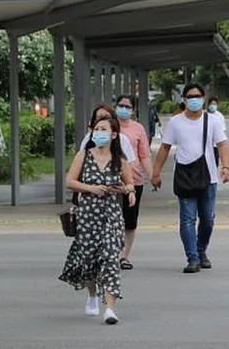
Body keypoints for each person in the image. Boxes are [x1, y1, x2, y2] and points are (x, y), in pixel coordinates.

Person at [60, 116, 136, 324]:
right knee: (89, 259)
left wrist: (127, 190)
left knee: (110, 258)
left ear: (113, 135)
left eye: (104, 129)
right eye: (96, 129)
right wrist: (90, 188)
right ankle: (92, 294)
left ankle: (110, 309)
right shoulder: (83, 155)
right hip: (88, 214)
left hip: (111, 214)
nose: (99, 132)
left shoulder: (119, 160)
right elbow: (70, 181)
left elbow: (130, 183)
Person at [151, 83, 229, 273]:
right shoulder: (175, 122)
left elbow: (222, 144)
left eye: (197, 96)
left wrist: (226, 167)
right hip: (184, 176)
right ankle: (192, 258)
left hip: (208, 177)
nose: (194, 100)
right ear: (184, 100)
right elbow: (165, 147)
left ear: (203, 99)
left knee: (208, 219)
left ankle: (201, 250)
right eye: (190, 97)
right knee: (187, 219)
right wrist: (156, 173)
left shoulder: (212, 121)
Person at [113, 95, 153, 269]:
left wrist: (153, 176)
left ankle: (124, 256)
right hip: (112, 181)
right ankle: (110, 254)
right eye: (121, 105)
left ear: (133, 110)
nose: (123, 109)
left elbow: (144, 155)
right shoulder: (108, 126)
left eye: (127, 107)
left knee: (129, 221)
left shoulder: (138, 129)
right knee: (111, 219)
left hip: (134, 180)